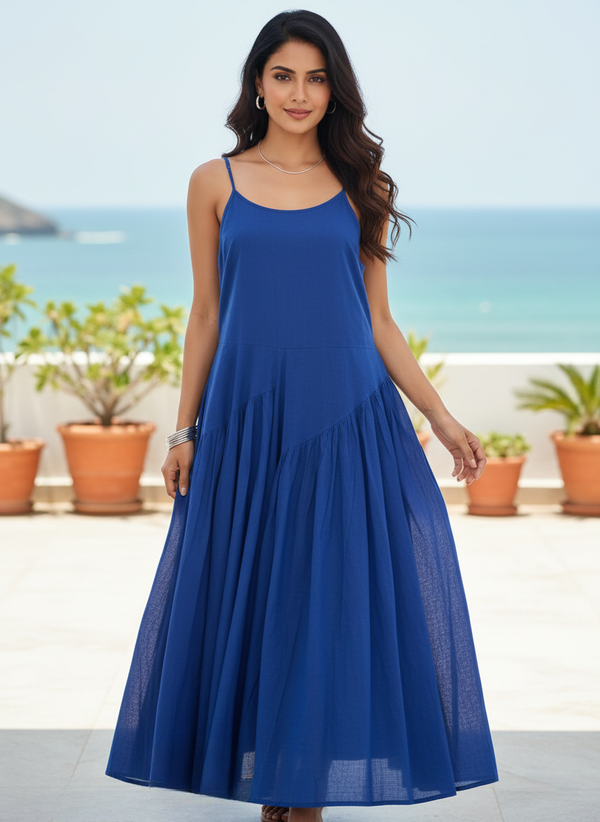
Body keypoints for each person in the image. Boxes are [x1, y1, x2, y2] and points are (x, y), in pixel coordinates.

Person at [105, 10, 498, 822]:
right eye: (283, 75)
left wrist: (444, 417)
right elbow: (206, 315)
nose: (300, 93)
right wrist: (185, 431)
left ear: (334, 89)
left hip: (346, 424)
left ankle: (302, 800)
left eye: (317, 78)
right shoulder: (212, 182)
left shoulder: (364, 188)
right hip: (247, 426)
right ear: (258, 81)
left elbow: (379, 322)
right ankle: (275, 798)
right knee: (251, 610)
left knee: (325, 610)